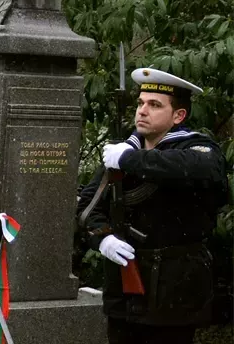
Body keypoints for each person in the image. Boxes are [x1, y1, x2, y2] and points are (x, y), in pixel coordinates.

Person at [78, 68, 228, 344]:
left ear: (178, 116)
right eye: (140, 103)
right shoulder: (123, 152)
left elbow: (200, 170)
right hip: (125, 287)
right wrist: (102, 239)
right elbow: (88, 207)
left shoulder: (197, 148)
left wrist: (131, 160)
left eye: (155, 105)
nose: (142, 111)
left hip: (175, 289)